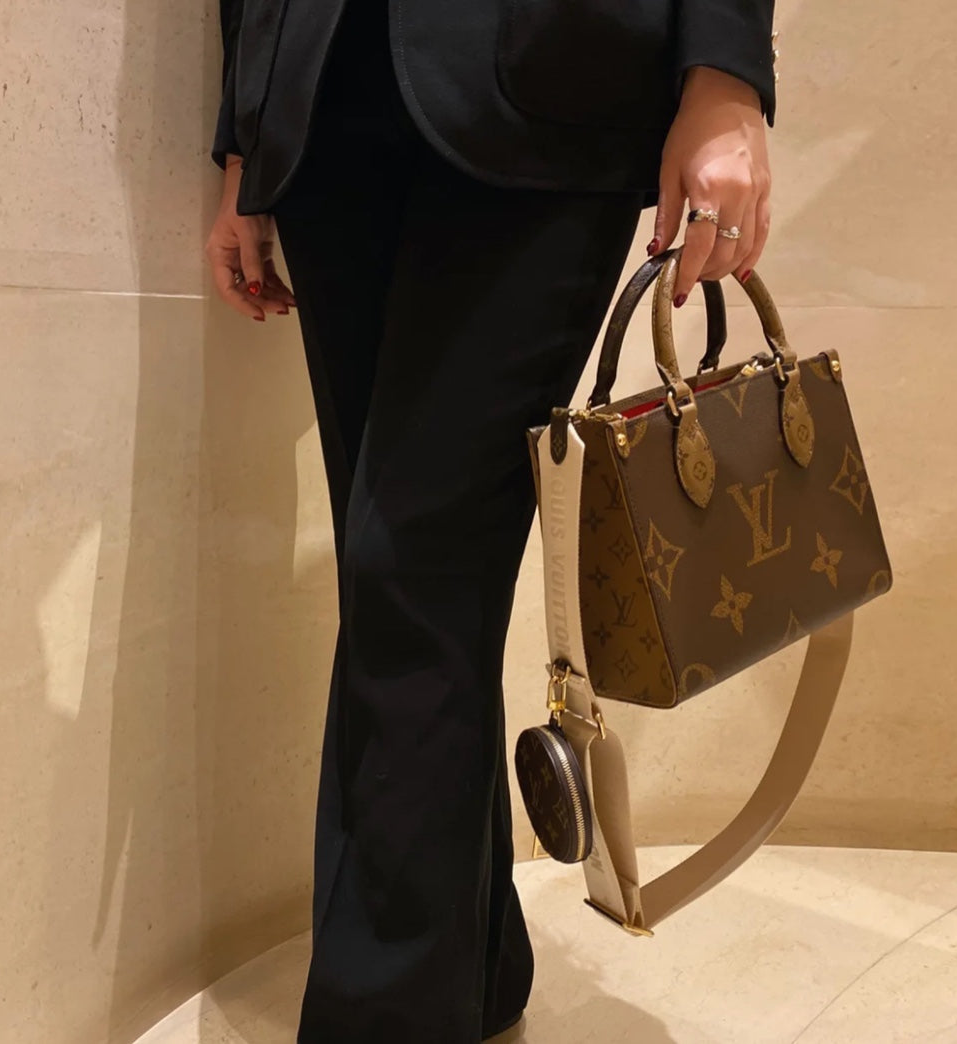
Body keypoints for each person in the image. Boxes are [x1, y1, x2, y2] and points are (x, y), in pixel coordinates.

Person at [204, 0, 776, 1040]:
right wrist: (245, 140)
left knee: (408, 570)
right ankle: (472, 963)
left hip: (546, 87)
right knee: (399, 581)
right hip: (322, 98)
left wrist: (724, 78)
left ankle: (389, 1014)